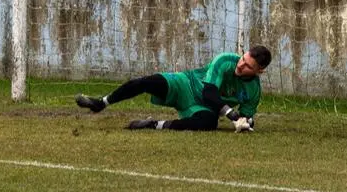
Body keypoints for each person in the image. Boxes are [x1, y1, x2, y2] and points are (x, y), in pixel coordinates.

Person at [75, 45, 271, 132]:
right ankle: (101, 103)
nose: (240, 65)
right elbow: (209, 93)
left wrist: (246, 123)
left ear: (259, 71)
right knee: (147, 82)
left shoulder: (254, 91)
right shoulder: (226, 60)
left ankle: (154, 125)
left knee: (209, 122)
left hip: (200, 108)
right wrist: (233, 116)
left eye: (247, 66)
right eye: (243, 59)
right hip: (185, 84)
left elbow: (247, 116)